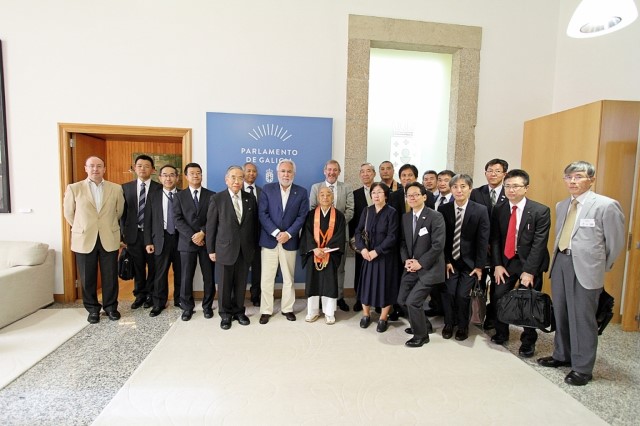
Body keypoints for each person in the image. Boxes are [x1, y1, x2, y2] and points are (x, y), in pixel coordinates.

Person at [537, 161, 625, 386]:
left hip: (586, 267)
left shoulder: (606, 205)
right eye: (568, 177)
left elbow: (615, 243)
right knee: (562, 312)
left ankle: (582, 368)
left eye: (578, 177)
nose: (572, 181)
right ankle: (561, 354)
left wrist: (599, 265)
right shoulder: (562, 204)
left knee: (583, 318)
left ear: (591, 180)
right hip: (561, 262)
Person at [490, 169, 550, 358]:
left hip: (529, 262)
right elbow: (496, 239)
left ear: (526, 188)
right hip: (506, 262)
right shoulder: (499, 209)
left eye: (515, 186)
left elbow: (539, 244)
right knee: (498, 295)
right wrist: (498, 265)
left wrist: (530, 271)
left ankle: (528, 342)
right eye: (507, 186)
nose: (511, 190)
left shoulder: (540, 211)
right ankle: (501, 332)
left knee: (528, 302)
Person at [63, 156, 125, 323]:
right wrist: (83, 227)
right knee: (87, 277)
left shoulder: (115, 188)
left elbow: (119, 212)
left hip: (108, 237)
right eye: (92, 166)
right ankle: (92, 310)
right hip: (84, 238)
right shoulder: (74, 188)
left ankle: (111, 308)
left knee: (110, 276)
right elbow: (69, 213)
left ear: (104, 169)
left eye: (99, 166)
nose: (95, 169)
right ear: (85, 168)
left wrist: (105, 225)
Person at [206, 166, 258, 330]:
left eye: (240, 178)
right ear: (226, 179)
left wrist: (253, 247)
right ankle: (225, 314)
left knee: (241, 283)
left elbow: (254, 225)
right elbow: (211, 227)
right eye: (234, 177)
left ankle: (238, 311)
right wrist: (211, 250)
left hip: (245, 249)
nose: (237, 181)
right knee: (224, 284)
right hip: (224, 249)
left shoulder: (250, 198)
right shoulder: (217, 199)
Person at [439, 174, 489, 341]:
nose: (459, 190)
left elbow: (483, 240)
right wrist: (445, 260)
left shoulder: (480, 210)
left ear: (470, 189)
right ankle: (448, 323)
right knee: (448, 292)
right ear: (450, 189)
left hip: (470, 263)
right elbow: (442, 239)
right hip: (450, 262)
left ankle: (462, 326)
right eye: (455, 187)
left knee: (462, 295)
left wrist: (479, 266)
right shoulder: (444, 209)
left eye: (463, 186)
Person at [258, 159, 309, 324]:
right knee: (267, 278)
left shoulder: (301, 192)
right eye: (283, 171)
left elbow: (302, 216)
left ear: (294, 174)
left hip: (290, 241)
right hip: (269, 240)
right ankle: (266, 310)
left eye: (289, 171)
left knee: (289, 278)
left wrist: (288, 233)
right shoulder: (267, 189)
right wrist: (275, 232)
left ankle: (287, 309)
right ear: (277, 173)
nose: (286, 174)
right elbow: (263, 214)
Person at [398, 182, 445, 347]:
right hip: (411, 267)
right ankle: (424, 325)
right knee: (402, 299)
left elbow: (438, 245)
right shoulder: (405, 217)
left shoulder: (435, 216)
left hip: (430, 268)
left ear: (424, 196)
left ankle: (421, 336)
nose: (412, 198)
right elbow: (403, 242)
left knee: (413, 301)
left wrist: (420, 263)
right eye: (409, 195)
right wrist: (407, 261)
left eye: (416, 194)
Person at [309, 160, 354, 312]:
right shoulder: (316, 187)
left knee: (339, 268)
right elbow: (312, 209)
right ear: (324, 171)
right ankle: (322, 297)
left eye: (335, 170)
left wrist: (336, 226)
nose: (332, 172)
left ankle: (339, 297)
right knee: (320, 269)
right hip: (318, 238)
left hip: (339, 237)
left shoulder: (346, 187)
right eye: (329, 169)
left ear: (339, 172)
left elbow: (350, 210)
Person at [173, 162, 216, 321]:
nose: (196, 175)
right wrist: (193, 235)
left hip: (207, 242)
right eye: (192, 173)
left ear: (202, 175)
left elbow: (213, 218)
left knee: (208, 276)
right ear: (186, 176)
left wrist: (203, 233)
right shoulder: (179, 196)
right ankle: (187, 307)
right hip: (187, 242)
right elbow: (177, 219)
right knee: (186, 277)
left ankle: (207, 306)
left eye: (198, 172)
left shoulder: (212, 195)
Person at [470, 158, 508, 329]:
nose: (493, 174)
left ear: (504, 174)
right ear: (485, 173)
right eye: (490, 170)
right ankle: (478, 314)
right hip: (481, 246)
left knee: (498, 285)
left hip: (502, 247)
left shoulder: (510, 193)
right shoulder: (476, 193)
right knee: (480, 280)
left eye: (497, 171)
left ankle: (494, 316)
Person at [355, 182, 398, 333]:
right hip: (368, 255)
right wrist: (363, 249)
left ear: (385, 195)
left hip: (385, 256)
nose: (376, 195)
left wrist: (377, 251)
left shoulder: (392, 212)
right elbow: (358, 232)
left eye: (379, 192)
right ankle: (366, 314)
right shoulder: (367, 211)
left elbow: (392, 236)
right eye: (374, 192)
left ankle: (383, 318)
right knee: (366, 285)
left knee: (385, 286)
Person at [121, 154, 162, 309]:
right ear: (134, 168)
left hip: (152, 234)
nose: (142, 168)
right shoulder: (125, 187)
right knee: (137, 266)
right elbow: (122, 214)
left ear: (152, 169)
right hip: (133, 234)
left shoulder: (159, 188)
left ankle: (151, 293)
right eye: (139, 165)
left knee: (153, 266)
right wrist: (122, 234)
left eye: (146, 166)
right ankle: (139, 295)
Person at [300, 186, 346, 324]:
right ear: (318, 198)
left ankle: (329, 312)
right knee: (313, 281)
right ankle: (312, 311)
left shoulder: (339, 215)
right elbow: (306, 234)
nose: (325, 197)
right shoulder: (310, 215)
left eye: (328, 195)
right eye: (322, 195)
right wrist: (314, 248)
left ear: (332, 198)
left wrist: (326, 249)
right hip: (313, 254)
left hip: (330, 255)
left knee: (330, 282)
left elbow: (340, 235)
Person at [144, 165, 181, 317]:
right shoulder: (153, 195)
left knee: (181, 271)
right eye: (165, 175)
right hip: (161, 238)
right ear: (159, 178)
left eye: (172, 175)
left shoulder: (183, 195)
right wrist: (148, 242)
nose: (168, 178)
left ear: (177, 178)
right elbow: (148, 221)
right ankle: (159, 302)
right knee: (160, 273)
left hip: (180, 238)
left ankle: (180, 300)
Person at [349, 162, 376, 312]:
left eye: (369, 171)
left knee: (378, 270)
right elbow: (353, 218)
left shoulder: (382, 192)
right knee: (360, 269)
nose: (365, 174)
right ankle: (359, 298)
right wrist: (355, 240)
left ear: (374, 174)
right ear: (360, 175)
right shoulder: (355, 194)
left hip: (379, 240)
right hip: (362, 240)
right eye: (362, 172)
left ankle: (377, 300)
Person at [243, 162, 262, 307]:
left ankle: (256, 295)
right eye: (248, 171)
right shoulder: (235, 191)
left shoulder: (262, 192)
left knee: (258, 270)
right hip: (241, 240)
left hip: (259, 238)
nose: (251, 173)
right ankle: (238, 296)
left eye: (254, 171)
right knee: (241, 270)